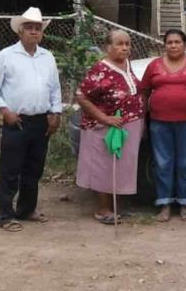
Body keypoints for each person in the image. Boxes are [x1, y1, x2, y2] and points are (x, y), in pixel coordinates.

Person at [0, 7, 62, 232]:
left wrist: (55, 113)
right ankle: (6, 215)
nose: (34, 32)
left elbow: (54, 88)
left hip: (41, 121)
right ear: (20, 31)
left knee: (34, 168)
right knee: (10, 169)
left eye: (38, 28)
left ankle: (27, 209)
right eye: (29, 28)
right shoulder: (6, 56)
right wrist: (5, 110)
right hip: (16, 121)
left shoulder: (48, 57)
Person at [75, 29, 146, 224]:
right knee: (104, 167)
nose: (124, 48)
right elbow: (81, 96)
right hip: (104, 127)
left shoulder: (126, 65)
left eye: (127, 44)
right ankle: (103, 209)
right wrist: (104, 118)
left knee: (122, 167)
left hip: (128, 125)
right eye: (119, 44)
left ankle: (116, 206)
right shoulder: (100, 69)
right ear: (108, 47)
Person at [142, 29, 186, 222]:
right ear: (164, 45)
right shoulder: (154, 65)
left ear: (185, 45)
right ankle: (164, 204)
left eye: (177, 42)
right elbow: (145, 92)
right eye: (169, 42)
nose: (173, 45)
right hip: (159, 122)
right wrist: (143, 121)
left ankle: (185, 204)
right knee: (162, 163)